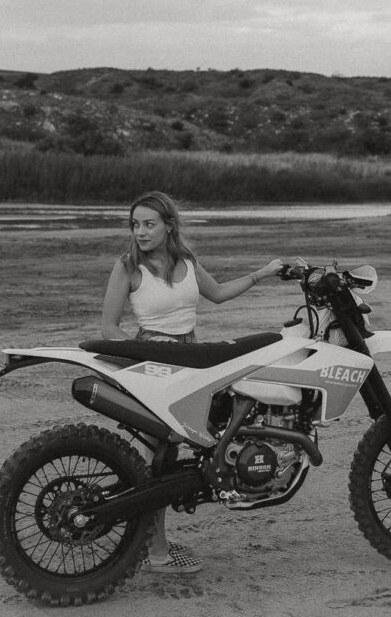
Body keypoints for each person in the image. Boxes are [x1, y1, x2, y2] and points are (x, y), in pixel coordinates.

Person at [100, 190, 286, 575]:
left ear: (169, 225)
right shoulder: (128, 266)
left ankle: (153, 542)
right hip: (153, 361)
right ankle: (157, 553)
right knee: (155, 458)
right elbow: (108, 327)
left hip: (193, 360)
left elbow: (216, 294)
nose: (140, 232)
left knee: (176, 452)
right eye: (135, 224)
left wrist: (261, 274)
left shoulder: (185, 260)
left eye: (149, 224)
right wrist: (141, 358)